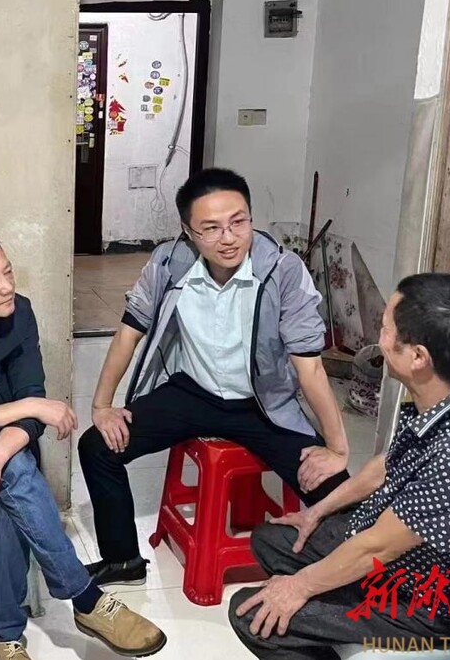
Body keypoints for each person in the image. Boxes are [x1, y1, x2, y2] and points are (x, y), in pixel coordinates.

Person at [0, 228, 167, 660]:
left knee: (12, 479)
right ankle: (85, 599)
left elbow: (31, 408)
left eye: (8, 272)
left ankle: (2, 636)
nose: (7, 287)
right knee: (17, 473)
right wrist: (32, 406)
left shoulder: (19, 313)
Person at [78, 168, 352, 587]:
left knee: (341, 494)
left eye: (239, 222)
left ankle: (335, 581)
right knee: (97, 446)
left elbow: (310, 366)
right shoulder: (170, 263)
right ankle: (122, 561)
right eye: (211, 228)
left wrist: (336, 448)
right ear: (189, 232)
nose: (229, 238)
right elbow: (129, 332)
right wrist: (102, 406)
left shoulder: (282, 271)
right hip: (193, 392)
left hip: (264, 404)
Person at [228, 273, 450, 659]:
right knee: (271, 540)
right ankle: (331, 601)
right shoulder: (447, 399)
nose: (379, 337)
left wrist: (299, 587)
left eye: (386, 329)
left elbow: (378, 546)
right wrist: (316, 512)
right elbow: (386, 466)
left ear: (418, 357)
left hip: (419, 599)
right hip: (386, 548)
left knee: (251, 614)